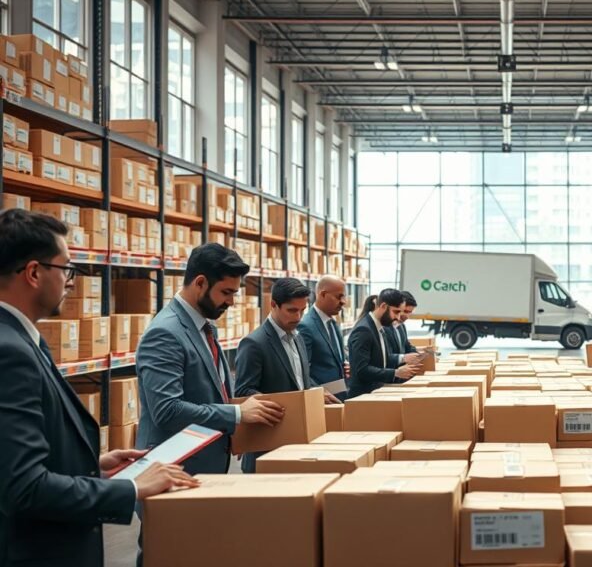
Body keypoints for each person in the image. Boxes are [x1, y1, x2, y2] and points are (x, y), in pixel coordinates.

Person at [0, 209, 197, 567]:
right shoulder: (9, 352)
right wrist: (131, 488)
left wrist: (90, 467)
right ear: (33, 273)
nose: (71, 282)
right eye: (66, 269)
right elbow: (24, 488)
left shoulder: (22, 340)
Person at [136, 243, 285, 476]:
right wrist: (236, 414)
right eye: (226, 292)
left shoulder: (204, 326)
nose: (231, 302)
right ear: (200, 283)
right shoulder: (165, 333)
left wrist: (237, 430)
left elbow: (213, 391)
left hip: (204, 464)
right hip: (173, 470)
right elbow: (167, 410)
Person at [235, 278, 341, 473]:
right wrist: (287, 405)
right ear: (273, 305)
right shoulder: (254, 344)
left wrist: (315, 392)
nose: (298, 317)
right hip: (267, 446)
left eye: (302, 310)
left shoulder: (298, 338)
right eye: (292, 310)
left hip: (297, 443)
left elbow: (299, 379)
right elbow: (243, 392)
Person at [347, 288, 421, 398]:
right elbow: (362, 370)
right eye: (396, 312)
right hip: (363, 396)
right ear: (383, 306)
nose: (398, 317)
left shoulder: (379, 328)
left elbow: (382, 360)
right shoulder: (364, 330)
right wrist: (395, 373)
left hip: (376, 392)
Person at [298, 275, 350, 400]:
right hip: (321, 400)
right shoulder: (306, 326)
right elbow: (301, 371)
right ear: (323, 294)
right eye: (339, 297)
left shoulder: (333, 324)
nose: (343, 302)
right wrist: (317, 392)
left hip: (339, 396)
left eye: (344, 297)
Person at [383, 291, 422, 367]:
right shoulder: (384, 328)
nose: (407, 316)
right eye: (405, 311)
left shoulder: (401, 326)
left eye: (410, 312)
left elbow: (407, 346)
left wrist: (419, 356)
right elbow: (384, 357)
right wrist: (404, 358)